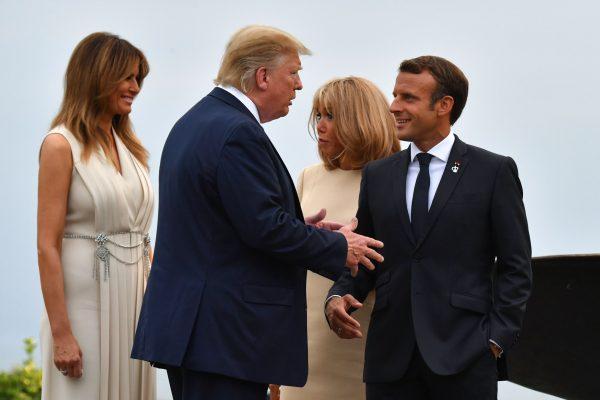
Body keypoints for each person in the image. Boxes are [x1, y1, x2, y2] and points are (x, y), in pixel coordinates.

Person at [131, 26, 384, 400]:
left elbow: (228, 221)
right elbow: (264, 228)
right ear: (263, 77)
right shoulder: (237, 132)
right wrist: (335, 245)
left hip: (193, 331)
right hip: (223, 335)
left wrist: (302, 228)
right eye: (293, 73)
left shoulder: (196, 121)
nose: (299, 85)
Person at [326, 56, 532, 400]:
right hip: (390, 362)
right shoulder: (378, 175)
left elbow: (516, 266)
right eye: (395, 96)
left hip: (465, 358)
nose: (393, 107)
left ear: (444, 105)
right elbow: (367, 256)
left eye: (408, 98)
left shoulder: (493, 172)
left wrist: (495, 340)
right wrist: (338, 296)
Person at [37, 32, 155, 399]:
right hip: (83, 307)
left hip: (135, 305)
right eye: (127, 77)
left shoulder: (130, 150)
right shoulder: (60, 145)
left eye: (138, 78)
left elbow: (141, 234)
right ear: (96, 77)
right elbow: (46, 246)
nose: (135, 87)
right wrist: (61, 335)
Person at [280, 77, 399, 400]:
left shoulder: (395, 178)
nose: (321, 126)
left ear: (360, 120)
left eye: (331, 116)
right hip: (306, 337)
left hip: (365, 334)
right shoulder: (308, 176)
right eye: (318, 116)